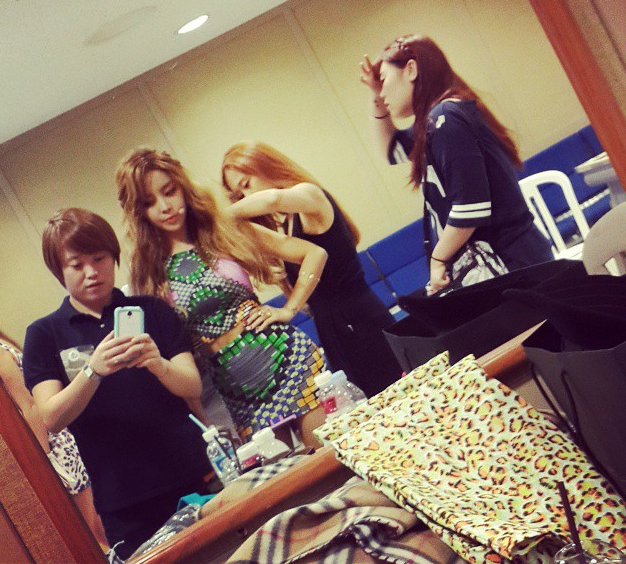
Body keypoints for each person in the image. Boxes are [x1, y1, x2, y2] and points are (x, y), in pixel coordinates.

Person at [22, 208, 212, 561]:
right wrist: (92, 371)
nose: (91, 272)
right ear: (59, 271)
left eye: (99, 258)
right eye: (76, 265)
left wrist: (158, 365)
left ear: (113, 257)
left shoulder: (152, 311)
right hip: (124, 502)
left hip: (192, 472)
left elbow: (192, 387)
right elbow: (51, 417)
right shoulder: (44, 334)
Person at [115, 148, 328, 447]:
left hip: (290, 361)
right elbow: (173, 356)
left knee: (328, 461)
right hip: (237, 392)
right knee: (285, 474)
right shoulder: (149, 273)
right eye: (149, 202)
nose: (165, 207)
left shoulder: (223, 230)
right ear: (138, 212)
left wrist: (289, 309)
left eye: (170, 191)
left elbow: (314, 254)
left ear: (182, 186)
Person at [360, 34, 553, 294]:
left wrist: (438, 258)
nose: (382, 93)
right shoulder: (438, 119)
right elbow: (391, 151)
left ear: (411, 69)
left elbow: (470, 209)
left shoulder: (445, 118)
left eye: (383, 80)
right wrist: (374, 92)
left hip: (513, 264)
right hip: (511, 261)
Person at [221, 141, 402, 397]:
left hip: (359, 320)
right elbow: (310, 299)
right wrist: (281, 281)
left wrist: (218, 217)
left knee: (395, 395)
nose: (246, 198)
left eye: (247, 184)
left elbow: (273, 198)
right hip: (330, 329)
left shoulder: (309, 194)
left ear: (266, 167)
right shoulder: (287, 223)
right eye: (239, 195)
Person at [0, 312, 108, 548]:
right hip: (55, 443)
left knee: (88, 537)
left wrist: (41, 461)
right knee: (91, 533)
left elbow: (29, 407)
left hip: (53, 448)